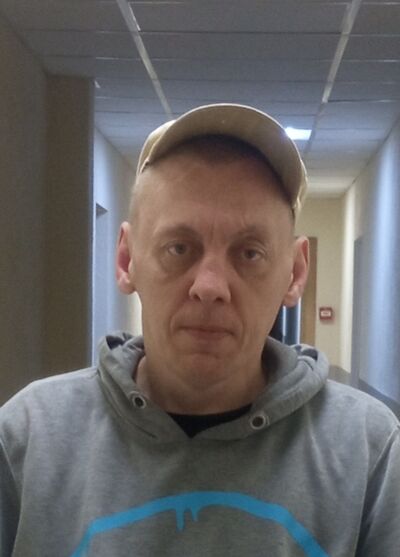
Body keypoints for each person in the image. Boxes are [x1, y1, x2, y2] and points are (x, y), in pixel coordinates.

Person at [1, 104, 399, 557]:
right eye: (179, 248)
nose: (210, 287)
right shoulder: (27, 440)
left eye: (249, 253)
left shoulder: (369, 452)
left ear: (295, 272)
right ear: (127, 260)